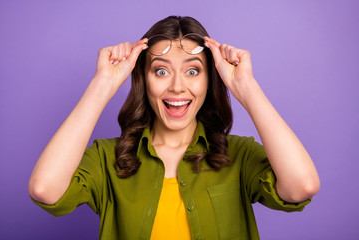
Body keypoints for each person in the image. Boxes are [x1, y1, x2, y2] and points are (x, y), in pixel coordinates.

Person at [29, 16, 320, 239]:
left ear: (210, 80)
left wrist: (246, 86)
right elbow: (45, 189)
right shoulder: (108, 158)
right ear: (144, 78)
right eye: (161, 70)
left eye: (193, 71)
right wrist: (102, 84)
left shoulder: (239, 155)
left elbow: (302, 187)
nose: (178, 86)